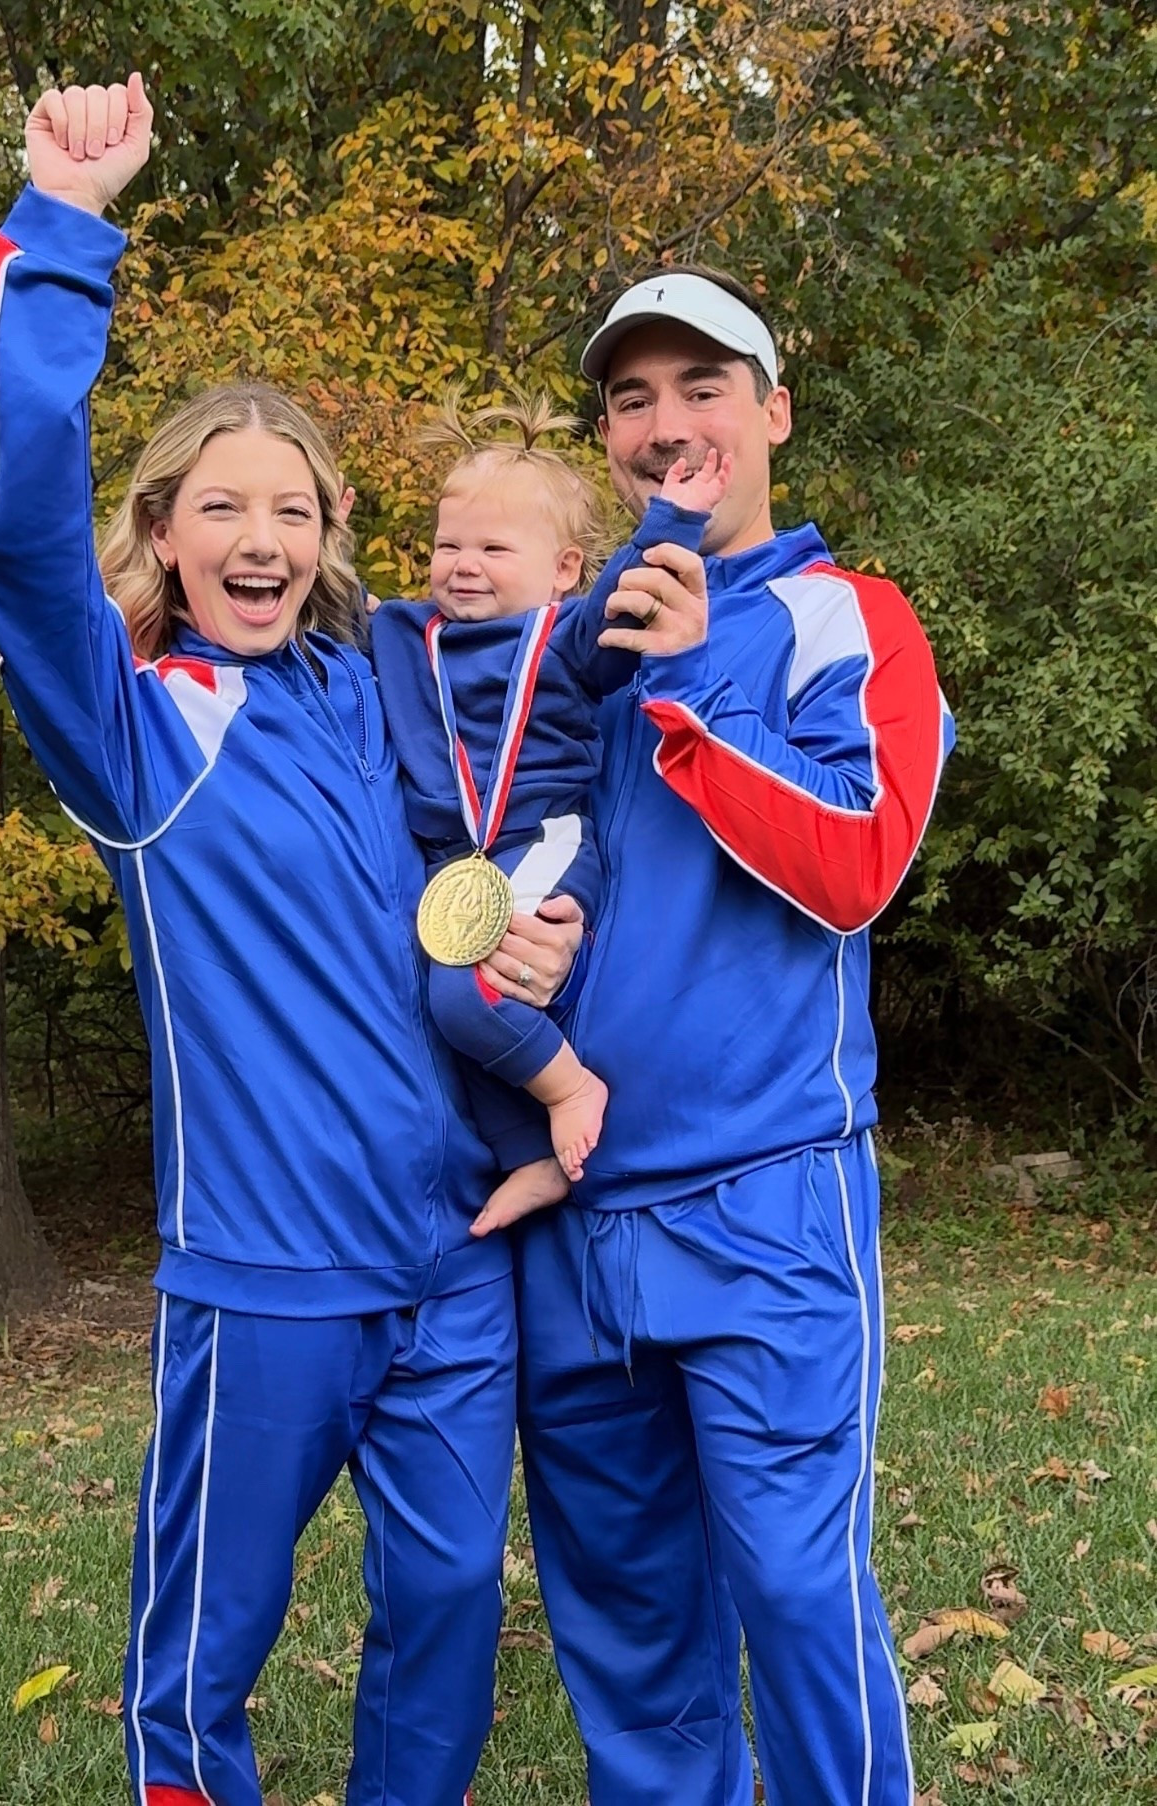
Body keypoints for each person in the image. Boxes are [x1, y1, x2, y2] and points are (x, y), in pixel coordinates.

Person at [0, 74, 575, 1806]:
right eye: (222, 506)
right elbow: (19, 556)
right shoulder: (143, 735)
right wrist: (68, 230)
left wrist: (545, 946)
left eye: (294, 509)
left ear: (327, 545)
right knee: (205, 1656)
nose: (261, 536)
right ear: (167, 532)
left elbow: (524, 776)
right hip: (263, 1280)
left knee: (453, 1594)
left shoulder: (379, 699)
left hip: (447, 1256)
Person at [514, 267, 955, 1806]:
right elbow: (519, 856)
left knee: (790, 1591)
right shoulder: (572, 640)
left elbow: (855, 861)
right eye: (629, 396)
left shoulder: (848, 618)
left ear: (770, 411)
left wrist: (696, 676)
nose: (662, 421)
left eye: (700, 385)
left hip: (766, 1198)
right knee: (630, 1628)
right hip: (576, 1212)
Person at [370, 393, 726, 1223]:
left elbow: (628, 596)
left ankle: (572, 1091)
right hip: (455, 866)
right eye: (447, 544)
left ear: (563, 569)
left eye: (494, 548)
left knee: (468, 996)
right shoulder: (400, 633)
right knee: (439, 1012)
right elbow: (324, 605)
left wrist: (673, 517)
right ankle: (531, 1155)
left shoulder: (563, 638)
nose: (464, 564)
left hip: (542, 842)